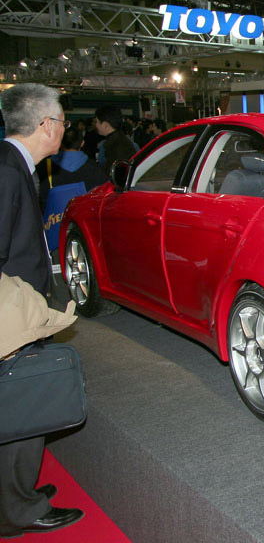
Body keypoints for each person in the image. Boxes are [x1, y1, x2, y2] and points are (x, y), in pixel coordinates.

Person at [0, 84, 84, 537]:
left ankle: (17, 493)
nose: (65, 131)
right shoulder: (7, 172)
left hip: (18, 307)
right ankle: (18, 509)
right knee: (22, 404)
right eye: (63, 122)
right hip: (12, 315)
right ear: (46, 125)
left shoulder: (13, 165)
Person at [38, 127, 108, 211]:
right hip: (83, 216)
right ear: (82, 143)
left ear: (60, 143)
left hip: (54, 216)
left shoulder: (45, 167)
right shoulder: (94, 168)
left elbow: (40, 197)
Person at [94, 106, 138, 170]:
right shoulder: (118, 140)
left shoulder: (118, 145)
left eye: (97, 122)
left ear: (105, 125)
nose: (96, 125)